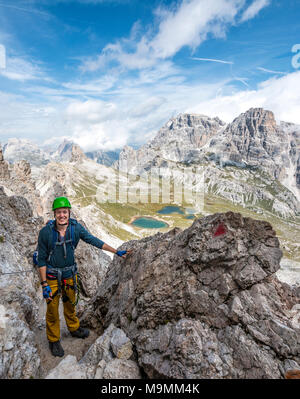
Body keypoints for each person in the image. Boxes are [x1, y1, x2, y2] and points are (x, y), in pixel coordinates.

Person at [37, 196, 132, 357]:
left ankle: (74, 328)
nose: (62, 215)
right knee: (52, 310)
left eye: (65, 212)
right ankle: (53, 340)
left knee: (70, 304)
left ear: (69, 213)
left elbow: (93, 240)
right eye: (59, 212)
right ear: (54, 214)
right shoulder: (45, 233)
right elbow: (41, 260)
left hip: (69, 275)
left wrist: (116, 251)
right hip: (52, 276)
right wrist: (44, 284)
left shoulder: (76, 228)